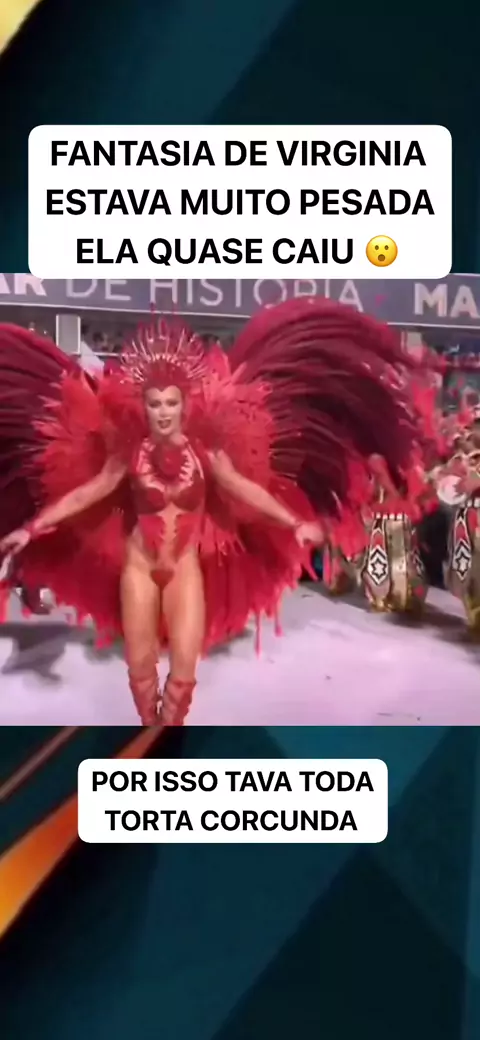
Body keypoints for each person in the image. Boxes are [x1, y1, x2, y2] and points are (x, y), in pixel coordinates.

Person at [0, 298, 439, 725]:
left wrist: (295, 523)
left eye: (171, 403)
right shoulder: (127, 455)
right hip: (139, 568)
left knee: (184, 672)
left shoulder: (206, 455)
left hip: (185, 569)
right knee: (141, 669)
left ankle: (169, 730)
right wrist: (31, 529)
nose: (163, 412)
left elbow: (246, 490)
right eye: (155, 404)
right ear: (145, 407)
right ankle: (150, 736)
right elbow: (85, 495)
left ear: (183, 406)